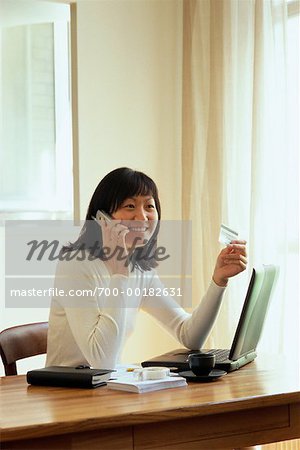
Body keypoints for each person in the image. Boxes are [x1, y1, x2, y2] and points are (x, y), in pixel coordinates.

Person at [46, 167, 247, 369]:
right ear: (102, 218)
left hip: (108, 388)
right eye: (130, 206)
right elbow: (102, 361)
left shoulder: (140, 270)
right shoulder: (75, 264)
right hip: (67, 392)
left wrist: (218, 281)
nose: (142, 217)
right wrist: (119, 274)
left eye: (149, 206)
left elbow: (190, 335)